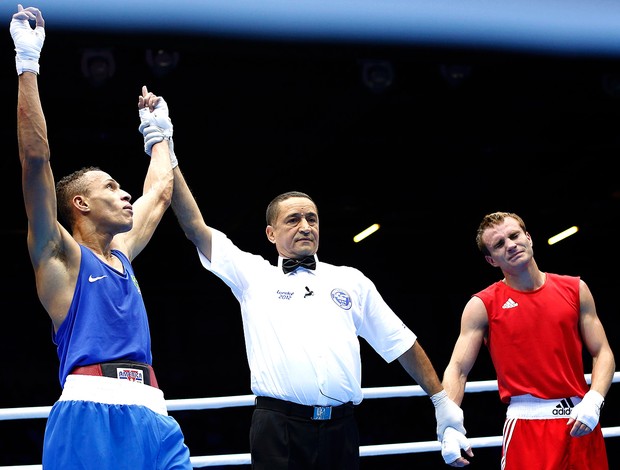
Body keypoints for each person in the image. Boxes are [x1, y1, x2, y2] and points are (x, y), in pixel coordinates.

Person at [137, 112, 470, 466]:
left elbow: (400, 342)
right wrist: (165, 149)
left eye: (311, 218)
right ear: (271, 233)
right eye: (293, 219)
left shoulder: (350, 280)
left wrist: (441, 404)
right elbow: (195, 226)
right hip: (277, 428)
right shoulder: (254, 275)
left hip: (342, 428)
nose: (305, 226)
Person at [11, 5, 192, 469]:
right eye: (110, 186)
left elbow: (161, 190)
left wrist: (159, 133)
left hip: (152, 408)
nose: (125, 192)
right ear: (80, 204)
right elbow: (35, 161)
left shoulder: (122, 253)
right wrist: (27, 62)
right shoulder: (59, 256)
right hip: (89, 409)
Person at [442, 211, 616, 469]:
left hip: (582, 420)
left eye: (514, 236)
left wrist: (595, 399)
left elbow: (603, 352)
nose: (510, 245)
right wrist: (449, 423)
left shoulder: (575, 289)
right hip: (527, 427)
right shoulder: (483, 305)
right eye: (499, 244)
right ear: (491, 260)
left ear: (529, 237)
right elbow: (457, 368)